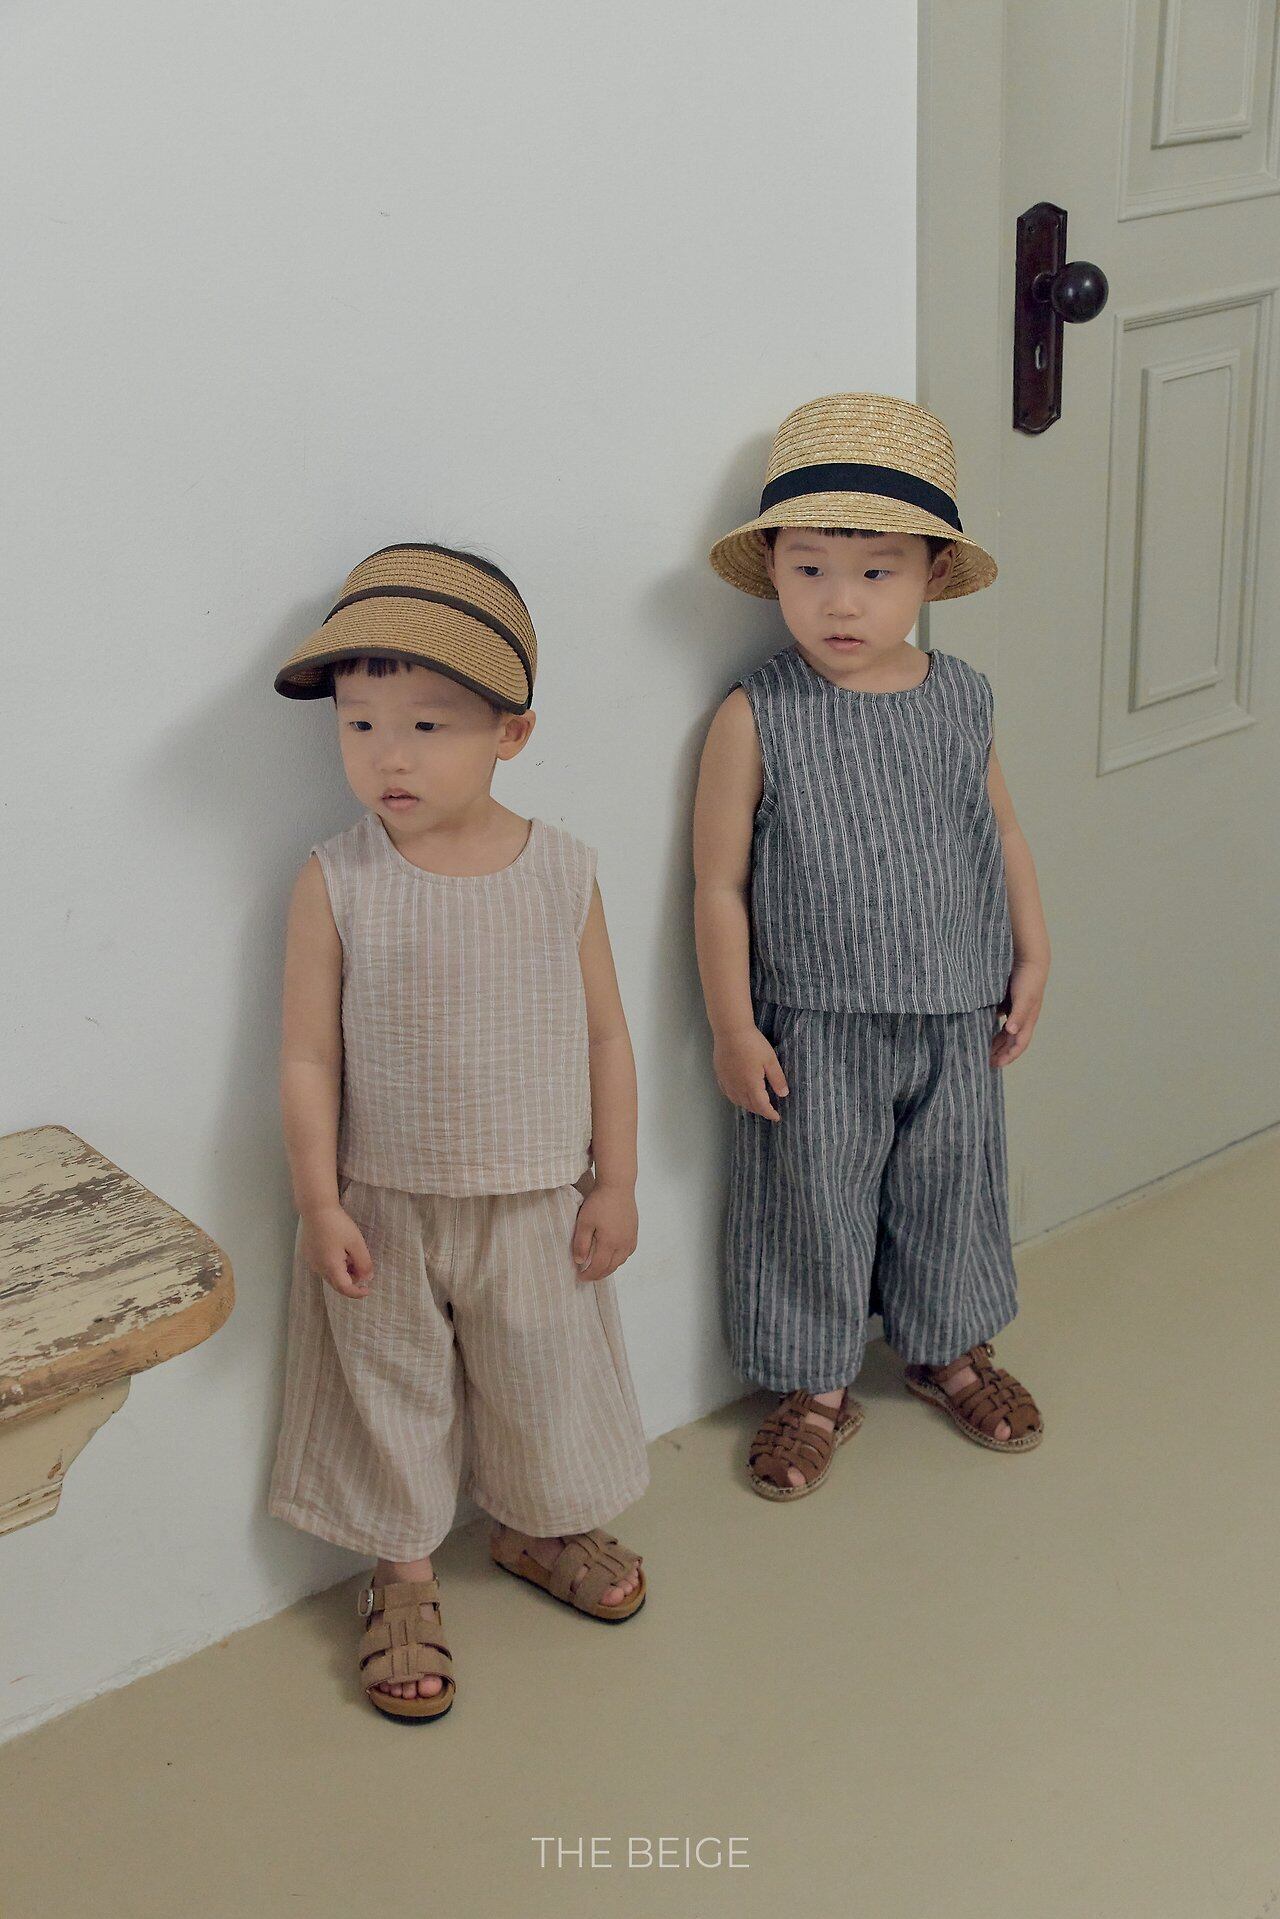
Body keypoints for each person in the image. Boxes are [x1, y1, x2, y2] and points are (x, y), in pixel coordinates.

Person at [267, 542, 650, 1720]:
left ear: (509, 733)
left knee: (544, 1375)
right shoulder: (336, 878)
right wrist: (318, 1199)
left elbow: (604, 1035)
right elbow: (307, 1054)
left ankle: (539, 1524)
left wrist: (616, 1180)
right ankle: (401, 1572)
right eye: (360, 723)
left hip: (534, 1195)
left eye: (427, 726)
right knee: (388, 1395)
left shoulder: (561, 871)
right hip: (384, 1202)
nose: (387, 755)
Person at [693, 393, 1050, 1499]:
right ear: (772, 567)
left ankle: (948, 1348)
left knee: (952, 1187)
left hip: (955, 1006)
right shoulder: (758, 712)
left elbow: (1001, 832)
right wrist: (732, 1024)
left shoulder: (961, 698)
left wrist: (1032, 954)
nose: (839, 601)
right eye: (809, 568)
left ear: (931, 575)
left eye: (875, 571)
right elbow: (717, 884)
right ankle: (813, 1383)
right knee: (812, 1202)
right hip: (815, 1020)